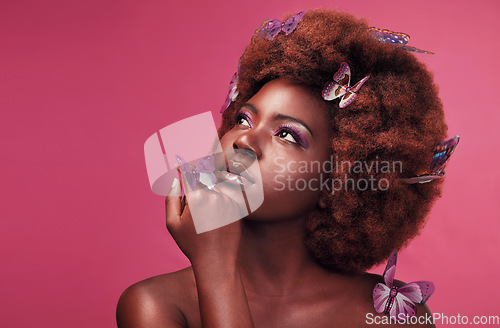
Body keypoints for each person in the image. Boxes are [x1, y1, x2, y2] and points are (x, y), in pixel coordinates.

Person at [117, 9, 449, 327]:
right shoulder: (155, 305)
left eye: (287, 134)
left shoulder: (389, 317)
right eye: (243, 119)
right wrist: (214, 266)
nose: (244, 141)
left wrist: (217, 267)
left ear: (338, 180)